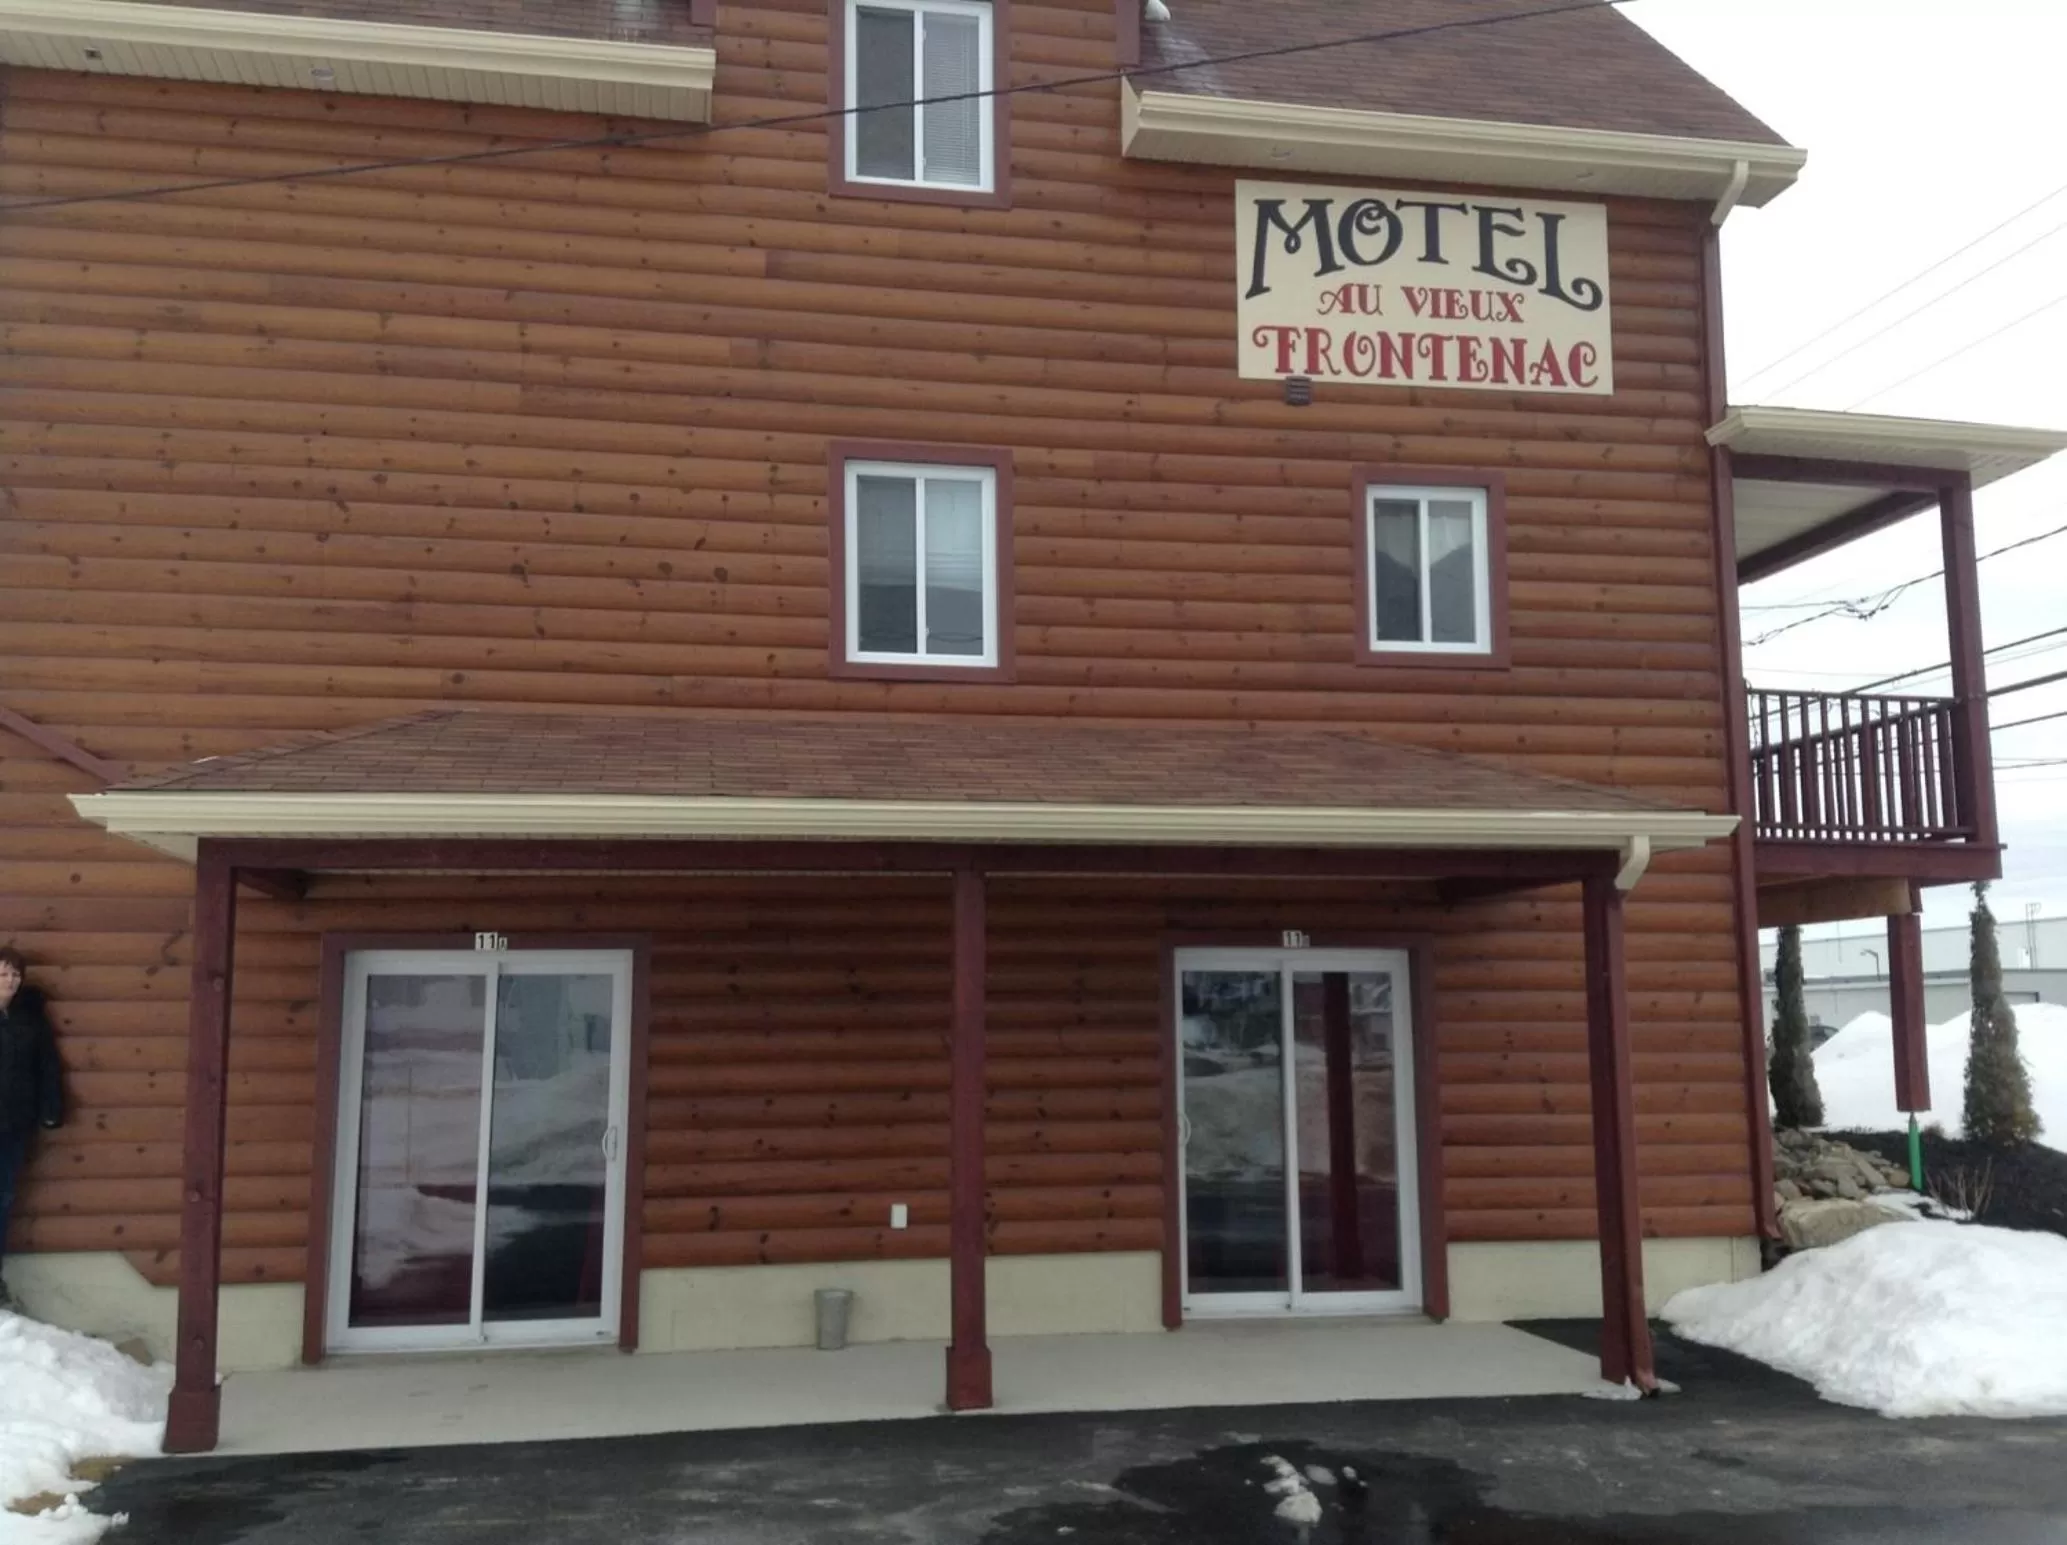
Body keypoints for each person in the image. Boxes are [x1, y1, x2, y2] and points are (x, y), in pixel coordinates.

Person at [0, 946, 64, 1309]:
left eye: (15, 974)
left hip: (14, 1123)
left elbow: (47, 1067)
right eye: (4, 974)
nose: (11, 980)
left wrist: (51, 1109)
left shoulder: (29, 1018)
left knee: (4, 1198)